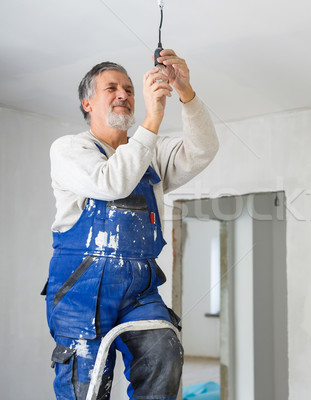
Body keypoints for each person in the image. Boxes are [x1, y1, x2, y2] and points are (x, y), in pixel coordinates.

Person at [42, 49, 219, 400]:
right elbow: (111, 183)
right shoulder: (69, 150)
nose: (124, 93)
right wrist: (152, 119)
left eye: (128, 88)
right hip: (81, 292)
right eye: (111, 88)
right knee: (86, 388)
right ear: (87, 102)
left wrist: (185, 92)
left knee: (164, 352)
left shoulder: (149, 154)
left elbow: (203, 149)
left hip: (139, 289)